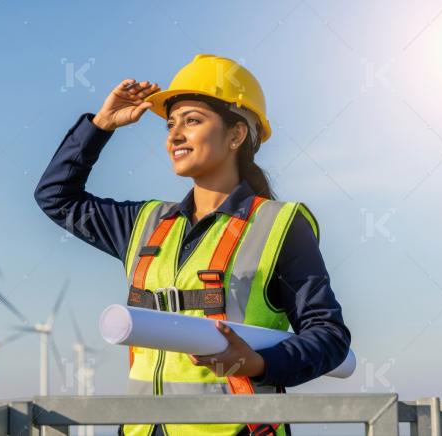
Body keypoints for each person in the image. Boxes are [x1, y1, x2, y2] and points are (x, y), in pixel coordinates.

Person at [34, 54, 351, 436]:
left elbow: (329, 336)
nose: (174, 135)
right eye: (170, 124)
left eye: (193, 120)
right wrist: (101, 125)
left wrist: (258, 363)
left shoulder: (279, 226)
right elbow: (56, 197)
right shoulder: (144, 223)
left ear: (236, 135)